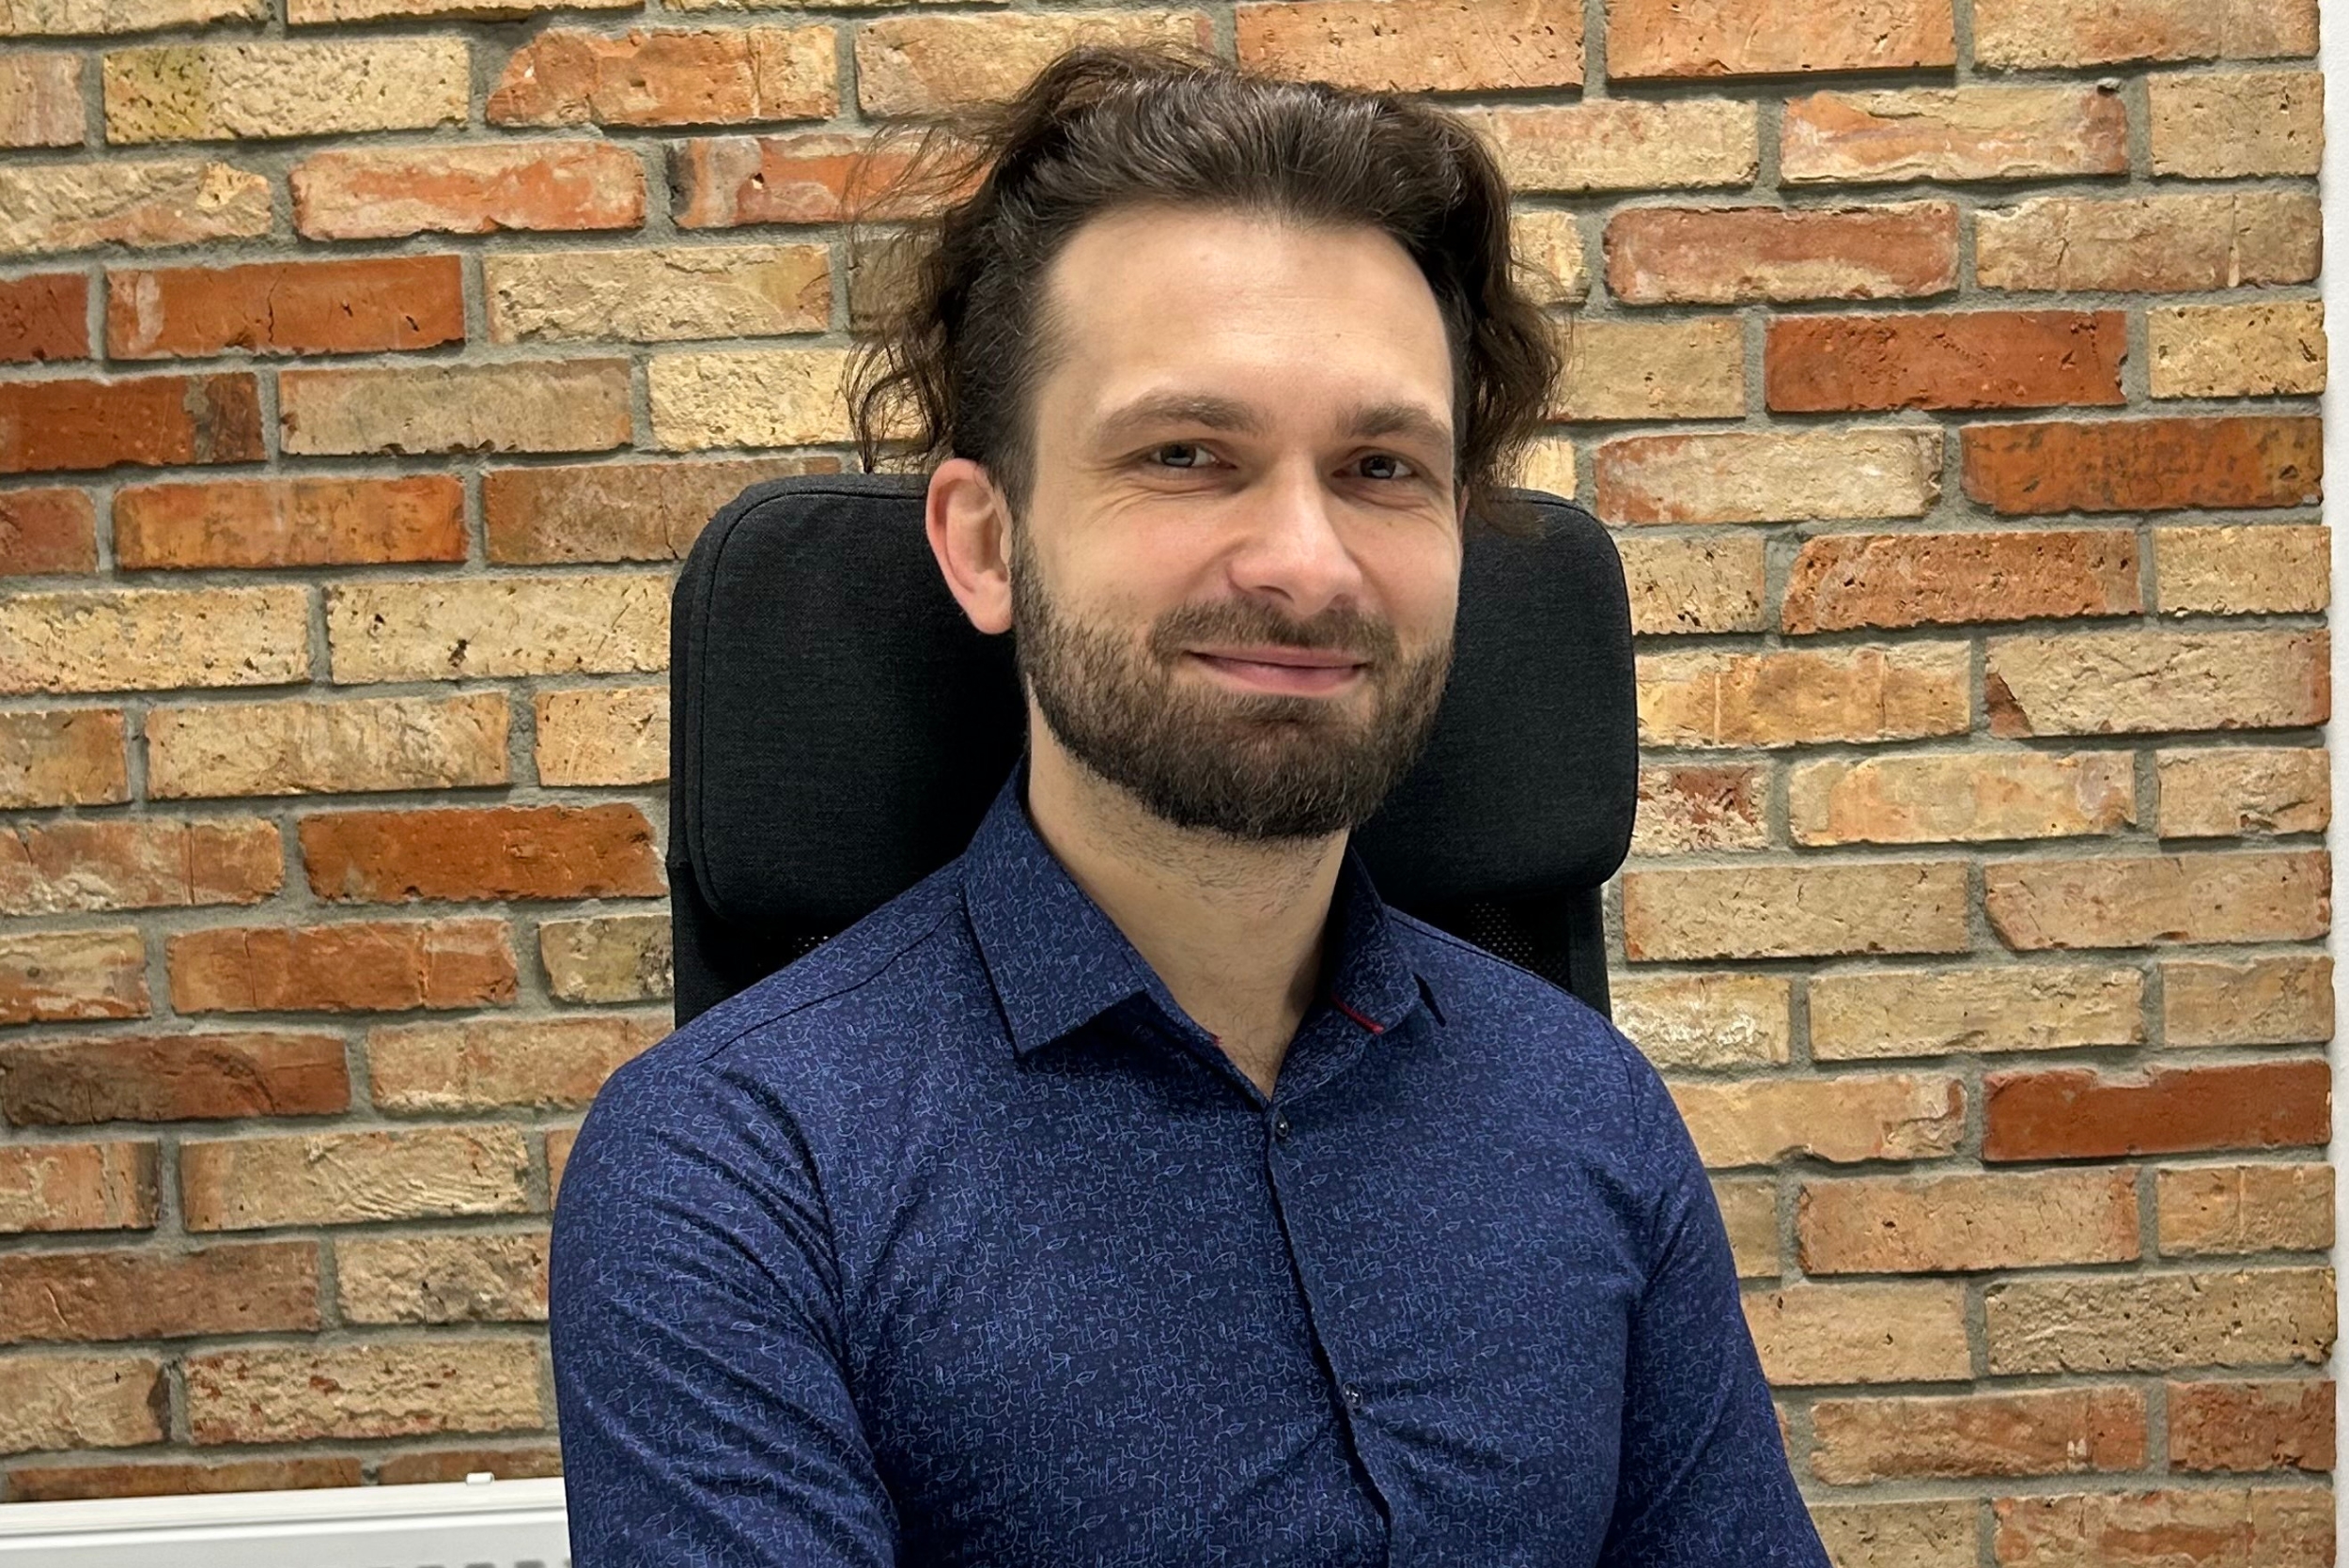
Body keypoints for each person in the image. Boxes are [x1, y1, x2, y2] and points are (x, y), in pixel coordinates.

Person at [549, 45, 1830, 1567]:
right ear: (986, 542)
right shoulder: (736, 1170)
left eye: (1380, 466)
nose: (1304, 561)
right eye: (1185, 454)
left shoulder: (1589, 1110)